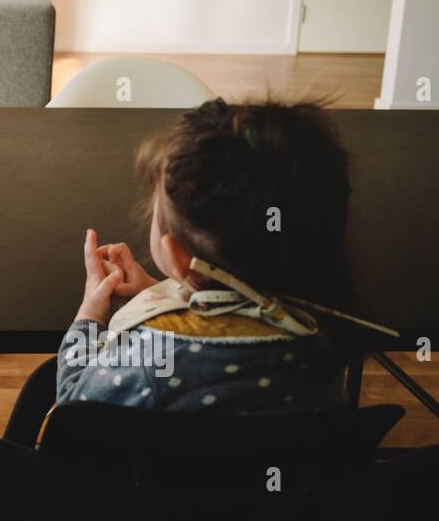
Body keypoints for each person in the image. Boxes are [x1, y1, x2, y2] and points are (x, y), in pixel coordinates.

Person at [56, 98, 353, 413]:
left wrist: (89, 317)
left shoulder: (150, 359)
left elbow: (74, 402)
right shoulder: (327, 336)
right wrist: (154, 294)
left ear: (178, 257)